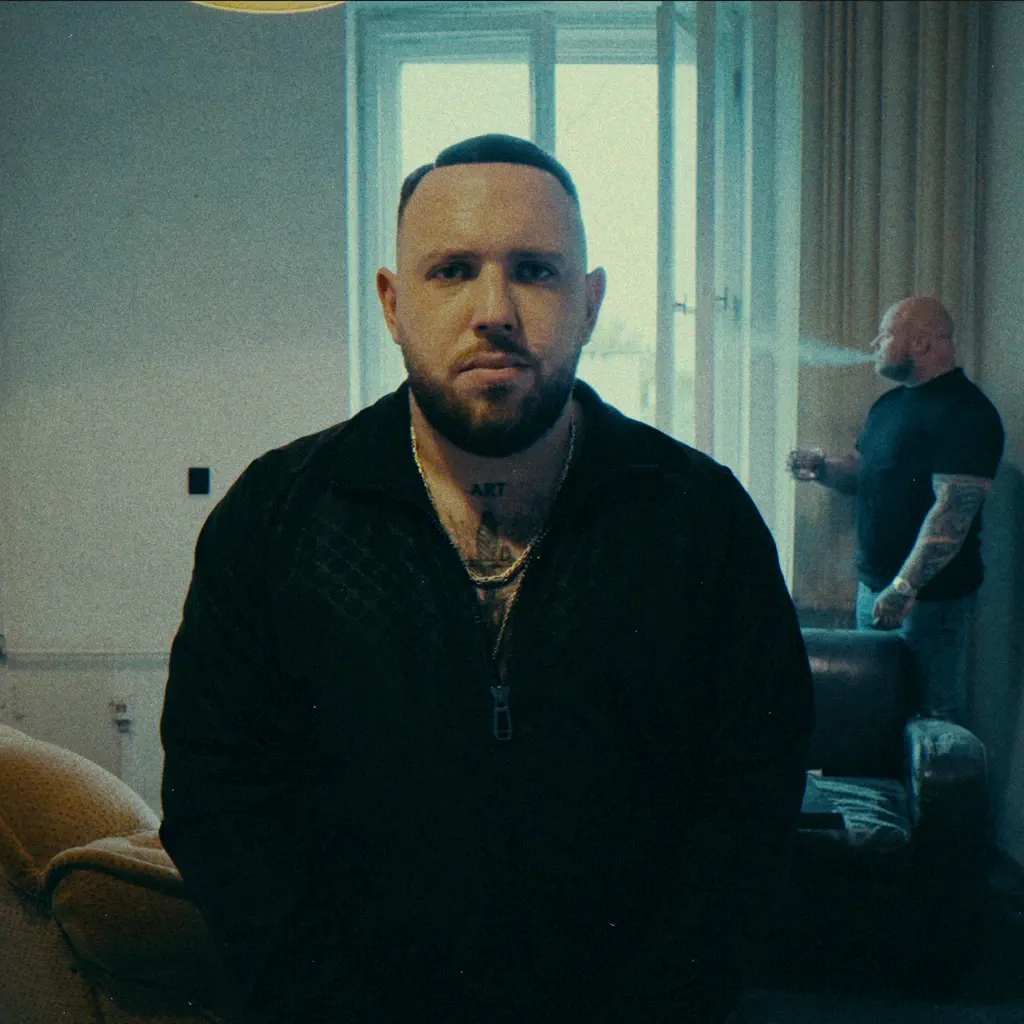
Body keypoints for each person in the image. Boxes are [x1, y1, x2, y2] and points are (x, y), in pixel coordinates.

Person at [161, 133, 813, 1024]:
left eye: (536, 271)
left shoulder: (698, 518)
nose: (495, 310)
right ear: (394, 303)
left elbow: (753, 797)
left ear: (589, 304)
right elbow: (218, 795)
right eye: (452, 271)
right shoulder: (276, 518)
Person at [789, 296, 1004, 725]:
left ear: (920, 344)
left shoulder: (967, 413)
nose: (874, 344)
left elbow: (952, 512)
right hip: (875, 590)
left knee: (931, 716)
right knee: (874, 709)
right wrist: (823, 469)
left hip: (927, 603)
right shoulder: (887, 406)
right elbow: (865, 473)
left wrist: (904, 588)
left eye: (885, 335)